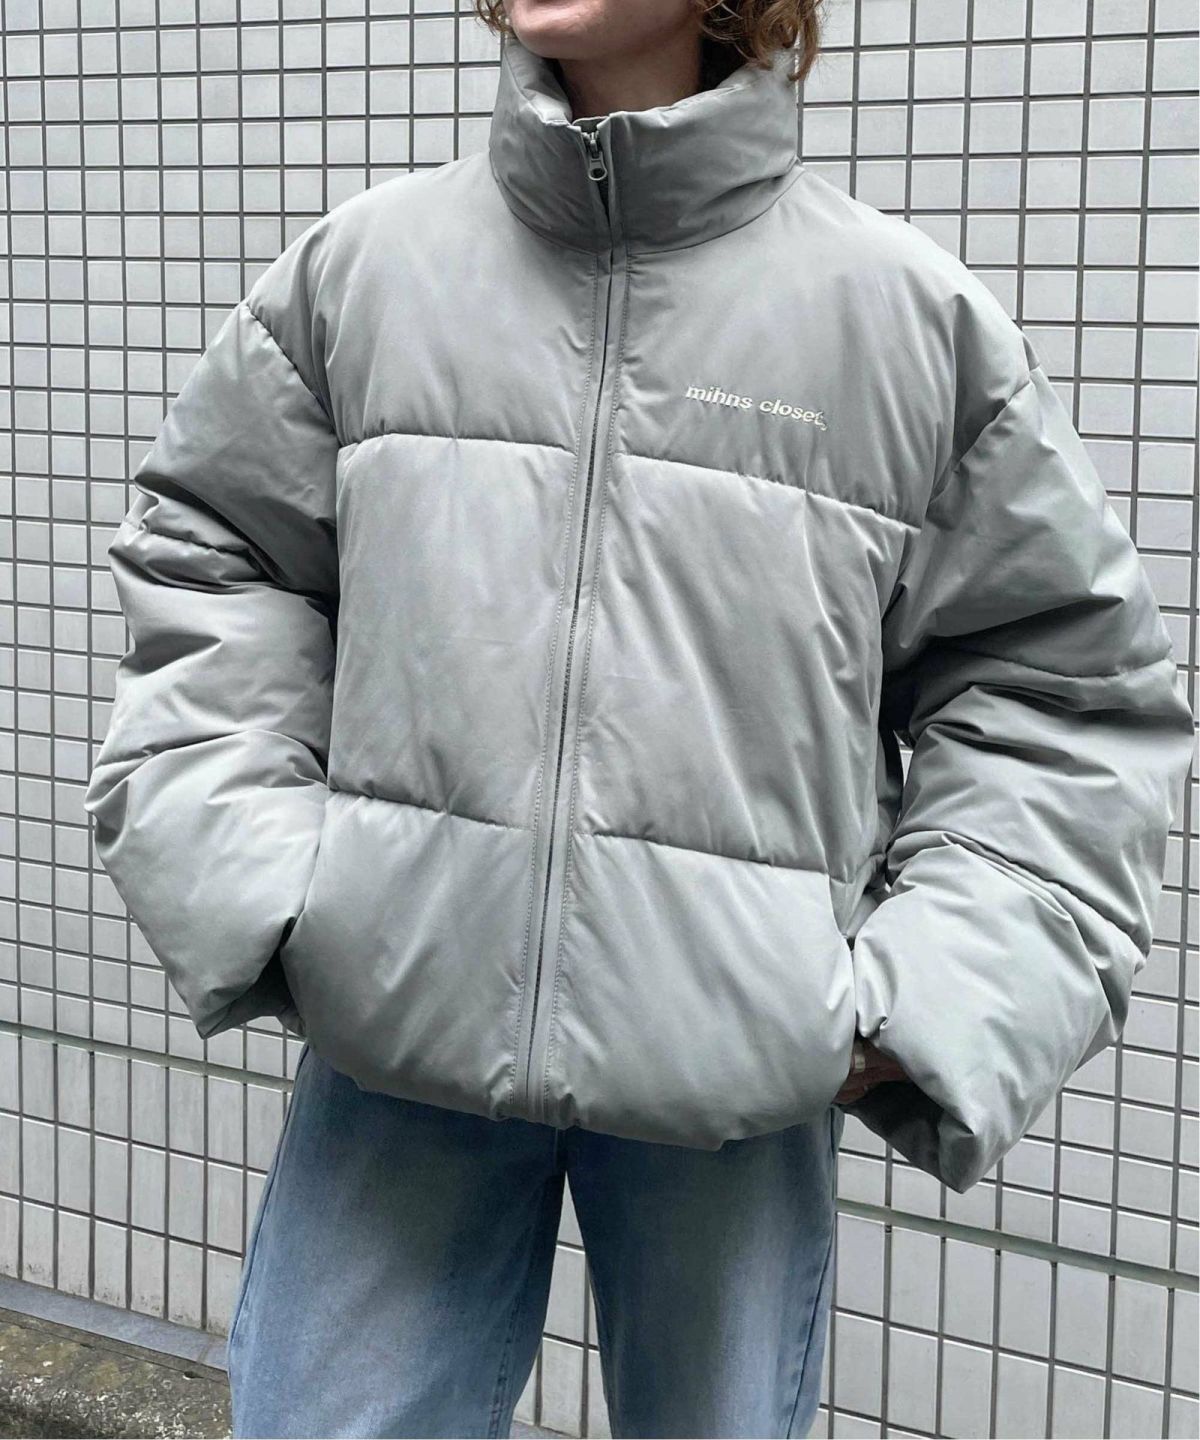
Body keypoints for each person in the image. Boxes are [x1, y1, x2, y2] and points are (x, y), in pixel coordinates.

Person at [83, 0, 1194, 1434]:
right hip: (401, 1017)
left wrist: (915, 999)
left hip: (735, 1075)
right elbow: (219, 561)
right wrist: (278, 884)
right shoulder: (364, 276)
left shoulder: (900, 320)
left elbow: (1061, 691)